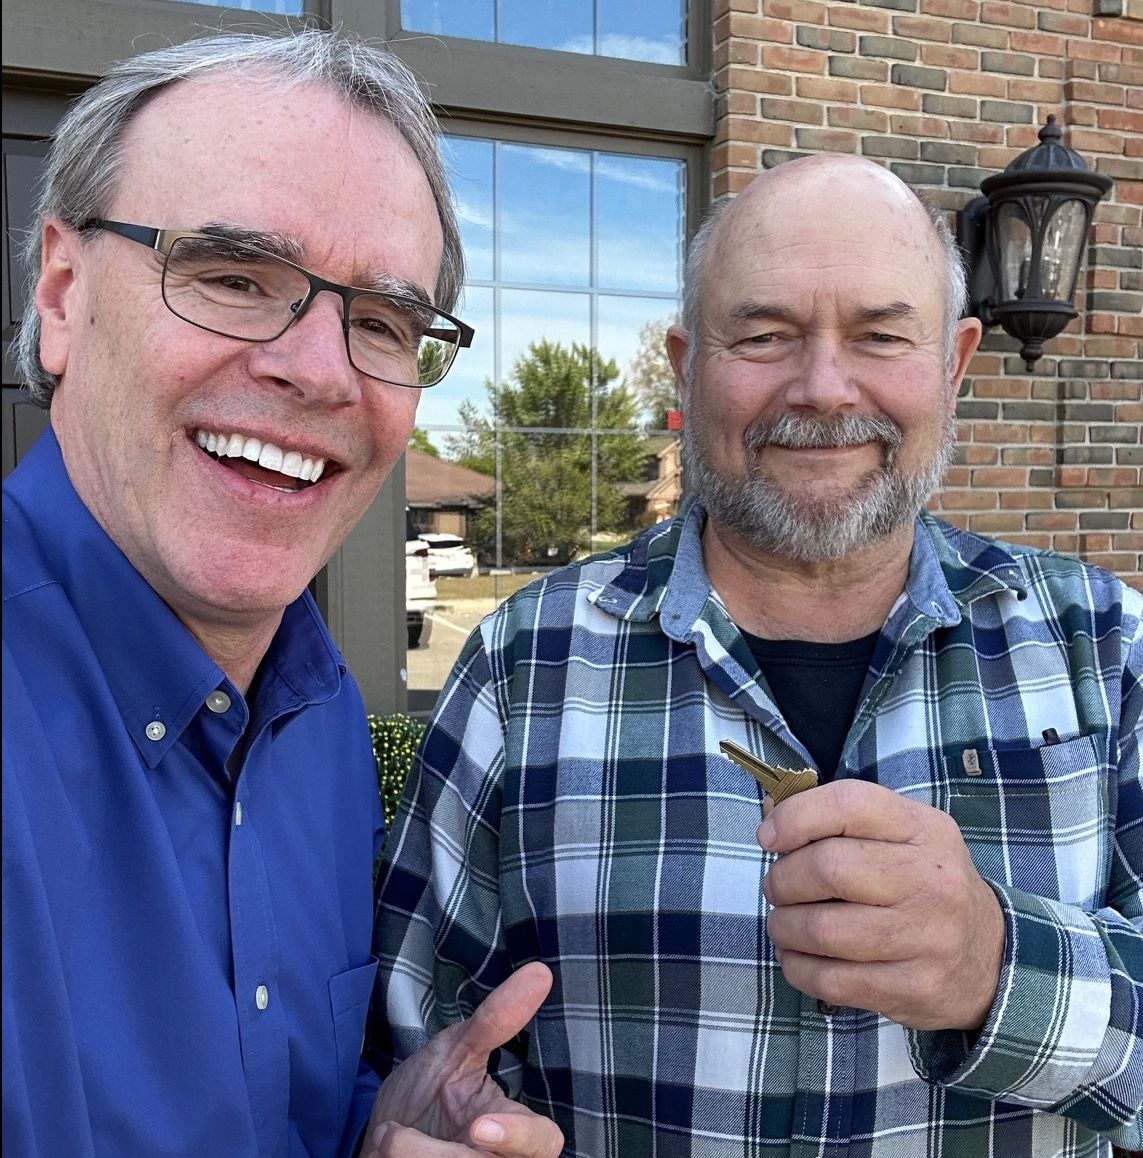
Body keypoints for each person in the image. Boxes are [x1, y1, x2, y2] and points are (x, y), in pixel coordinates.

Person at [370, 154, 1143, 1157]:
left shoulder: (1105, 648)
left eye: (880, 335)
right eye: (764, 335)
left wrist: (998, 969)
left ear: (953, 364)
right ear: (686, 365)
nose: (821, 388)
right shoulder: (524, 667)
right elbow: (413, 1045)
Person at [1, 30, 562, 1158]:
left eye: (382, 322)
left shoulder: (319, 717)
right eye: (231, 277)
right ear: (63, 294)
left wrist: (370, 1130)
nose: (318, 370)